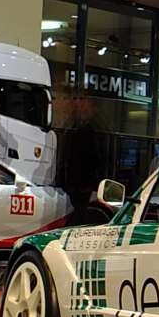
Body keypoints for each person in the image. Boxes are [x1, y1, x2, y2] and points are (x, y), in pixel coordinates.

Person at [59, 91, 104, 225]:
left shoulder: (90, 128)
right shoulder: (74, 125)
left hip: (81, 184)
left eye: (82, 99)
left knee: (80, 215)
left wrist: (89, 184)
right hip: (75, 184)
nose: (77, 102)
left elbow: (93, 158)